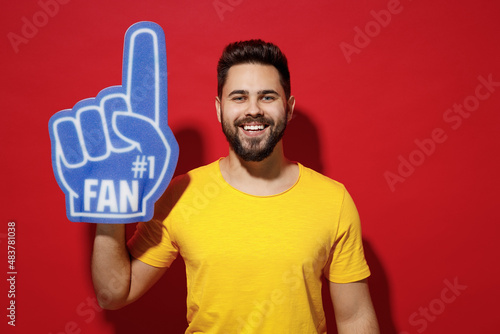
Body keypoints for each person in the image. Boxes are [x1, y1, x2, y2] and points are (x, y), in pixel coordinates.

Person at [91, 39, 379, 333]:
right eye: (238, 97)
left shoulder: (333, 200)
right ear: (219, 108)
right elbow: (115, 294)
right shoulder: (182, 194)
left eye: (267, 97)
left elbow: (354, 318)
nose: (253, 110)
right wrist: (108, 204)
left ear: (289, 108)